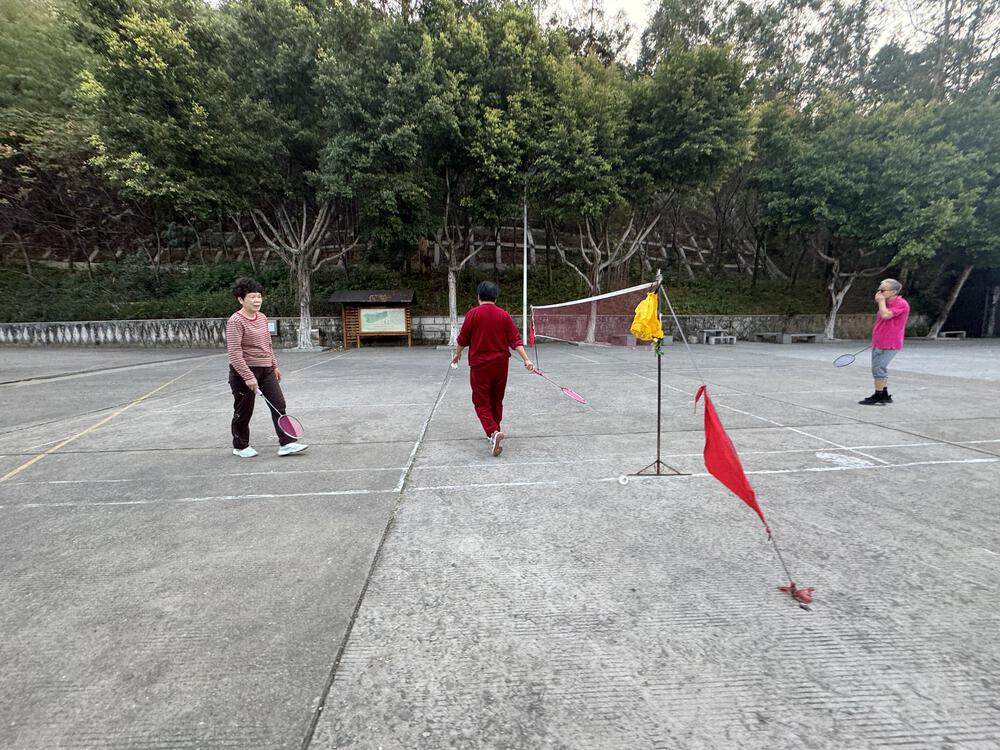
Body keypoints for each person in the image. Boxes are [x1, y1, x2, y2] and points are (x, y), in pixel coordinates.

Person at [226, 278, 307, 457]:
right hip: (244, 371)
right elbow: (234, 352)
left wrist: (274, 365)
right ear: (241, 300)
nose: (257, 300)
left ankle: (287, 443)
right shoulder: (235, 321)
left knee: (278, 404)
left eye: (259, 296)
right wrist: (248, 376)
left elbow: (268, 344)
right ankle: (240, 446)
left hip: (266, 369)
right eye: (252, 297)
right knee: (244, 410)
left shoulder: (262, 318)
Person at [451, 281, 534, 456]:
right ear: (495, 298)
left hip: (480, 365)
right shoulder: (504, 315)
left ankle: (493, 432)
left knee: (481, 401)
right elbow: (515, 340)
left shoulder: (473, 314)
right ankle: (495, 430)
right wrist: (527, 360)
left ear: (478, 296)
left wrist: (457, 354)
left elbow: (462, 339)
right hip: (501, 365)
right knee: (496, 399)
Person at [859, 278, 910, 405]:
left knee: (878, 369)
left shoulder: (901, 304)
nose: (879, 293)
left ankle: (878, 396)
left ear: (893, 292)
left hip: (889, 343)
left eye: (882, 290)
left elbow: (886, 315)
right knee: (879, 368)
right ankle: (884, 394)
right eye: (879, 290)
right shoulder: (887, 303)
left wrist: (881, 302)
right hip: (879, 342)